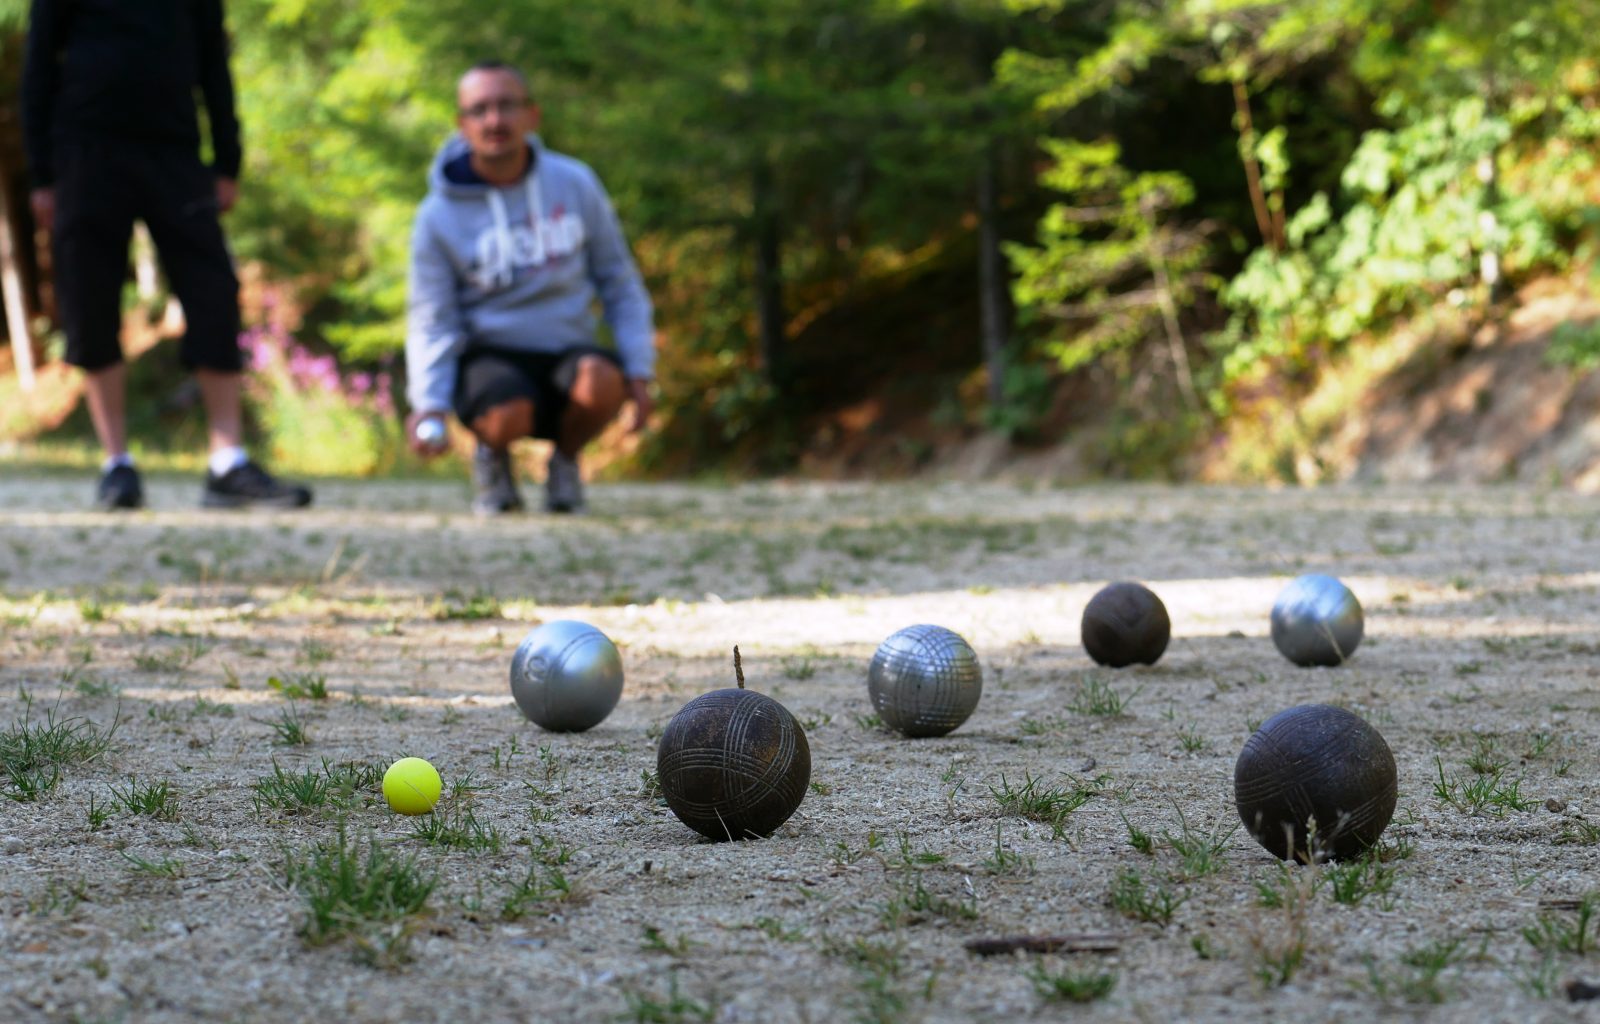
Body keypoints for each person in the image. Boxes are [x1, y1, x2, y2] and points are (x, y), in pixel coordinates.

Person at [21, 0, 311, 511]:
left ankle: (227, 461)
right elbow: (39, 65)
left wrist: (228, 159)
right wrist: (42, 173)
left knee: (213, 289)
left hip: (174, 150)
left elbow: (212, 63)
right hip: (85, 151)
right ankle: (117, 464)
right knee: (90, 299)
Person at [405, 60, 655, 515]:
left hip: (568, 349)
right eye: (479, 110)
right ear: (462, 124)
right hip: (491, 357)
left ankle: (565, 461)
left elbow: (619, 281)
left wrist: (639, 370)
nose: (494, 120)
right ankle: (493, 458)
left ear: (531, 115)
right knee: (505, 412)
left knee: (601, 381)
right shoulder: (437, 216)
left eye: (506, 106)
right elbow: (431, 318)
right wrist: (429, 403)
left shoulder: (575, 183)